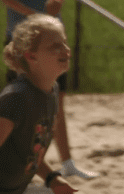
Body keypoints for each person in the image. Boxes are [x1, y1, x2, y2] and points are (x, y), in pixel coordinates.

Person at [0, 0, 98, 179]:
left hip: (52, 39)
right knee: (21, 105)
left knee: (55, 101)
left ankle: (66, 162)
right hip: (25, 40)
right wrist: (36, 17)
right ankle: (19, 164)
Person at [0, 14, 78, 194]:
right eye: (55, 47)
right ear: (31, 56)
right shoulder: (16, 98)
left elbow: (28, 154)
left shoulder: (51, 91)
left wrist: (53, 180)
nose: (65, 50)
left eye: (64, 43)